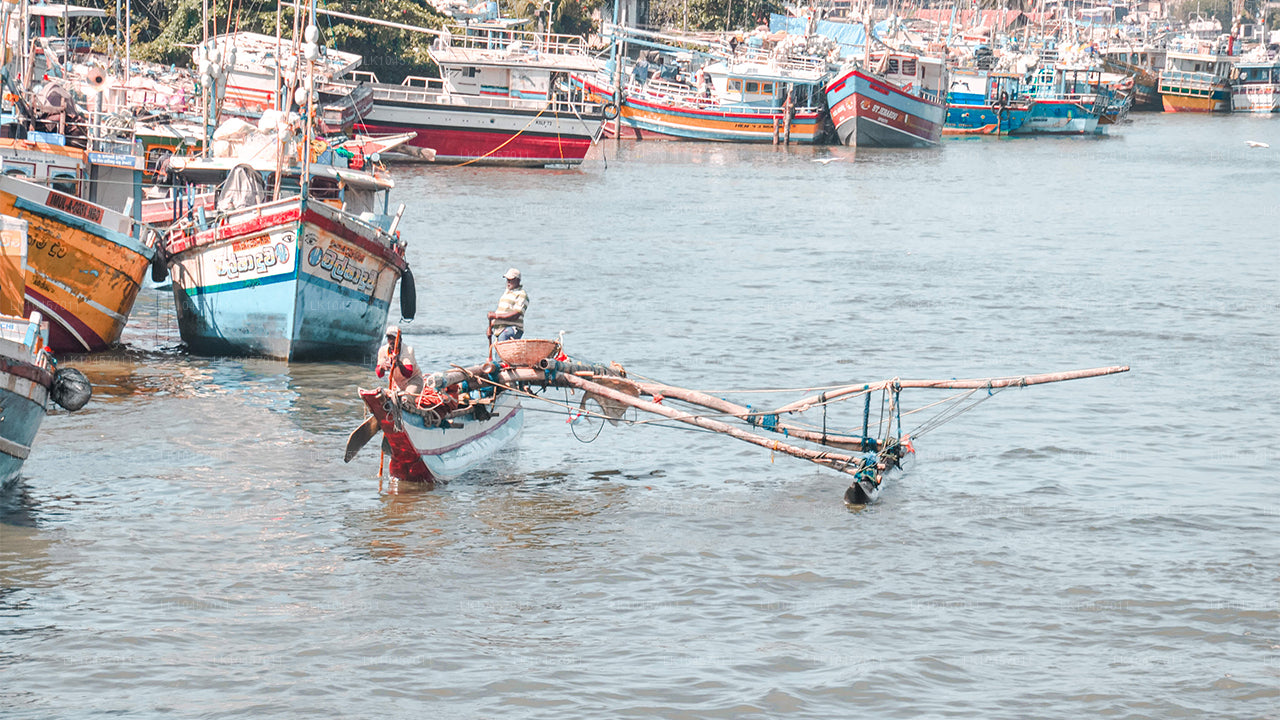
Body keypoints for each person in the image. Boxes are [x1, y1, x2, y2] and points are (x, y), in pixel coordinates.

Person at [376, 325, 424, 402]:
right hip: (398, 384)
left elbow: (408, 373)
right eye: (389, 338)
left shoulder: (408, 350)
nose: (391, 341)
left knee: (406, 400)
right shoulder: (383, 350)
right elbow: (379, 374)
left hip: (413, 381)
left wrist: (397, 362)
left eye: (394, 338)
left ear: (400, 339)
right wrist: (382, 367)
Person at [487, 268, 528, 343]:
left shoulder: (521, 294)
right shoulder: (506, 294)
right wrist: (490, 327)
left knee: (504, 336)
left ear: (517, 280)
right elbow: (500, 312)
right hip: (499, 330)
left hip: (513, 328)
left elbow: (516, 314)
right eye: (507, 280)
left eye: (511, 280)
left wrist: (495, 316)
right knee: (499, 351)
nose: (508, 282)